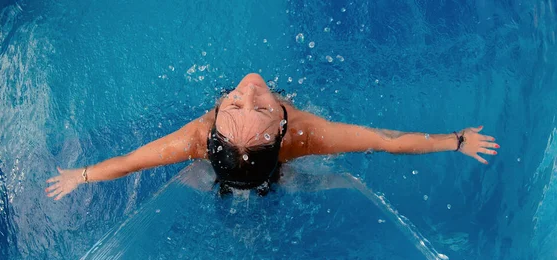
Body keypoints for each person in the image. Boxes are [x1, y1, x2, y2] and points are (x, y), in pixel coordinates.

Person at [45, 73, 499, 200]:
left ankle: (237, 183)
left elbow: (131, 163)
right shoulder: (301, 135)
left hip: (246, 164)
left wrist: (81, 175)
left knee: (225, 178)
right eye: (245, 103)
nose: (249, 87)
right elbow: (384, 139)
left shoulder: (198, 138)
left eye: (250, 103)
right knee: (247, 180)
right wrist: (455, 139)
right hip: (249, 164)